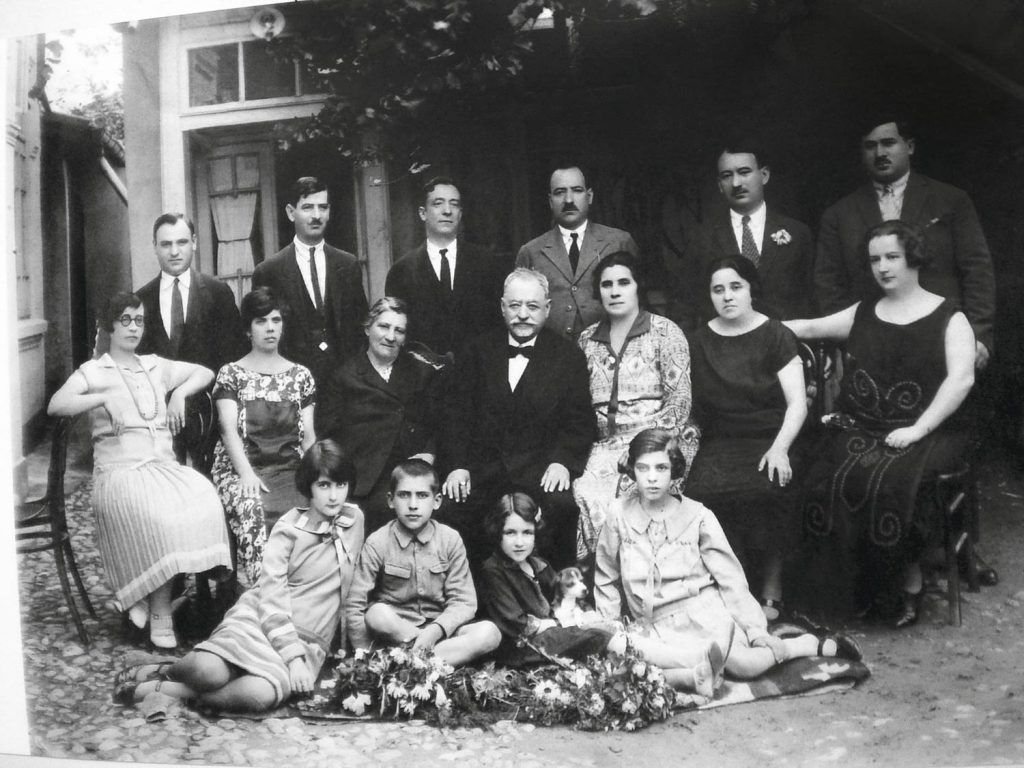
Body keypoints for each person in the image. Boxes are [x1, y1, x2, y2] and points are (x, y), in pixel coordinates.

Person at [787, 221, 976, 626]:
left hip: (928, 429)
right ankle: (854, 586)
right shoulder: (864, 311)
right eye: (875, 259)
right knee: (825, 473)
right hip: (863, 426)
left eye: (892, 256)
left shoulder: (949, 316)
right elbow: (809, 328)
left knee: (896, 481)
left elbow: (960, 379)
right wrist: (750, 326)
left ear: (913, 258)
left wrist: (917, 429)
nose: (883, 267)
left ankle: (908, 582)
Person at [112, 440, 364, 713]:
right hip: (263, 620)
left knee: (259, 696)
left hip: (309, 641)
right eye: (324, 485)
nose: (334, 496)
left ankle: (172, 692)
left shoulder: (354, 521)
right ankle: (165, 670)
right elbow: (271, 597)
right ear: (308, 488)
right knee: (208, 671)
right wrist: (292, 658)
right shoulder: (289, 529)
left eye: (341, 485)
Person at [595, 429, 862, 681]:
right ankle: (694, 671)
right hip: (654, 626)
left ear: (674, 470)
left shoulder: (698, 517)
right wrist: (610, 623)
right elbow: (606, 573)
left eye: (661, 468)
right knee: (623, 657)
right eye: (643, 468)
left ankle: (800, 646)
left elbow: (730, 579)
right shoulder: (618, 514)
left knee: (743, 666)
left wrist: (756, 631)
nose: (652, 478)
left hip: (701, 615)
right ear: (632, 470)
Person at [47, 292, 232, 649]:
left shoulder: (153, 365)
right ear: (109, 325)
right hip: (120, 472)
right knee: (159, 515)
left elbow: (205, 372)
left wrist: (179, 394)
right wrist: (100, 398)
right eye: (126, 320)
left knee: (204, 496)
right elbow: (58, 404)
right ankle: (159, 610)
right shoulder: (94, 371)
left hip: (162, 467)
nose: (134, 327)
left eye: (139, 320)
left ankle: (147, 600)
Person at [480, 492, 726, 697]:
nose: (519, 542)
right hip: (526, 648)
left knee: (609, 648)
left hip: (556, 635)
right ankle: (692, 657)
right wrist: (564, 623)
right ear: (497, 532)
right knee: (602, 638)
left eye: (527, 533)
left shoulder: (538, 564)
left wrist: (579, 615)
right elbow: (515, 622)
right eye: (510, 533)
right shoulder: (494, 569)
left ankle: (691, 677)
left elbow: (561, 599)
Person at [440, 267, 597, 568]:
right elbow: (455, 415)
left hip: (540, 469)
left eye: (532, 306)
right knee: (451, 509)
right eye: (515, 305)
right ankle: (471, 602)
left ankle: (557, 598)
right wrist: (457, 466)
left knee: (563, 508)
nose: (523, 314)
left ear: (547, 309)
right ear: (502, 307)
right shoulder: (476, 351)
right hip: (484, 469)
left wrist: (562, 461)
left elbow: (580, 420)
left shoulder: (568, 357)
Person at [814, 115, 995, 370]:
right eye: (870, 146)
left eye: (888, 143)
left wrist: (978, 334)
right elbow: (829, 283)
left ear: (909, 147)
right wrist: (847, 342)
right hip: (871, 347)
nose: (880, 153)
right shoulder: (839, 214)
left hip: (943, 337)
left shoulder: (951, 201)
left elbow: (977, 270)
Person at [685, 256, 808, 621]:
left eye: (736, 287)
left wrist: (781, 449)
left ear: (752, 289)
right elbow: (690, 405)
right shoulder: (699, 340)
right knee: (701, 493)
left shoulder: (776, 334)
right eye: (718, 289)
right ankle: (731, 587)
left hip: (771, 436)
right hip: (720, 440)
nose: (727, 296)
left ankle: (772, 586)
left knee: (772, 487)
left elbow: (798, 403)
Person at [573, 251, 698, 562]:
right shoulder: (587, 340)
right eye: (606, 284)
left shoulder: (666, 332)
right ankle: (604, 584)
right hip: (603, 445)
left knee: (633, 490)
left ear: (638, 286)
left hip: (661, 440)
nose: (614, 291)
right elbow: (575, 407)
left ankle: (642, 583)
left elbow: (680, 403)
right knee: (587, 493)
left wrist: (645, 445)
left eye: (623, 282)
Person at [346, 459, 501, 666]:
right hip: (395, 634)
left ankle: (408, 664)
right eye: (404, 495)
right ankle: (428, 663)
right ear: (391, 500)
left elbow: (464, 602)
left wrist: (434, 631)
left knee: (490, 633)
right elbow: (356, 604)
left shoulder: (450, 539)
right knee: (376, 614)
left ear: (436, 501)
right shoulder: (378, 541)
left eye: (422, 495)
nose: (413, 505)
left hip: (442, 632)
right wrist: (363, 655)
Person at [210, 287, 316, 585]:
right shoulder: (232, 374)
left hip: (289, 468)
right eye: (261, 321)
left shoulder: (300, 376)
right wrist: (246, 475)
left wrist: (319, 476)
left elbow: (308, 438)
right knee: (252, 507)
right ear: (247, 329)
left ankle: (308, 600)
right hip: (242, 469)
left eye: (276, 320)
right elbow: (228, 429)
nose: (270, 328)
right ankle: (263, 596)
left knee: (318, 503)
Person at [319, 297, 449, 533]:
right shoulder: (344, 377)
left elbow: (437, 424)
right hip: (365, 477)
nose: (391, 336)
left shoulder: (422, 372)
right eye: (384, 327)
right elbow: (329, 436)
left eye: (399, 330)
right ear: (368, 328)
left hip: (412, 469)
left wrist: (429, 454)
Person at [136, 212, 247, 467]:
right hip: (159, 422)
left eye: (182, 242)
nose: (174, 251)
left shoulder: (218, 293)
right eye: (166, 244)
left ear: (194, 242)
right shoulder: (141, 300)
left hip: (210, 416)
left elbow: (234, 359)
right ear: (155, 247)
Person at [252, 176, 369, 410]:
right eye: (307, 207)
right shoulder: (269, 271)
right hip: (292, 390)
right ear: (290, 212)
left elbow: (360, 328)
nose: (316, 215)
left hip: (346, 390)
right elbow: (262, 336)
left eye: (322, 207)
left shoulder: (347, 264)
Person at [673, 142, 815, 331]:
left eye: (744, 172)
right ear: (719, 185)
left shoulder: (798, 234)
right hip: (723, 352)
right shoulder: (702, 239)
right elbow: (685, 306)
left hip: (787, 347)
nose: (736, 183)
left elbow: (813, 300)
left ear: (764, 175)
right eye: (727, 176)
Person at [515, 164, 639, 341]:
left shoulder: (619, 241)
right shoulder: (531, 252)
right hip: (555, 356)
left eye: (577, 190)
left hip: (613, 352)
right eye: (559, 192)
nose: (568, 200)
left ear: (589, 197)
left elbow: (639, 304)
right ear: (550, 201)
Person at [385, 176, 505, 357]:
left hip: (479, 376)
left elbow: (499, 326)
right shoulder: (401, 271)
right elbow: (397, 334)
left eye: (454, 204)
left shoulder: (488, 264)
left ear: (461, 213)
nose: (447, 211)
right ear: (422, 213)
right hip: (423, 379)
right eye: (438, 203)